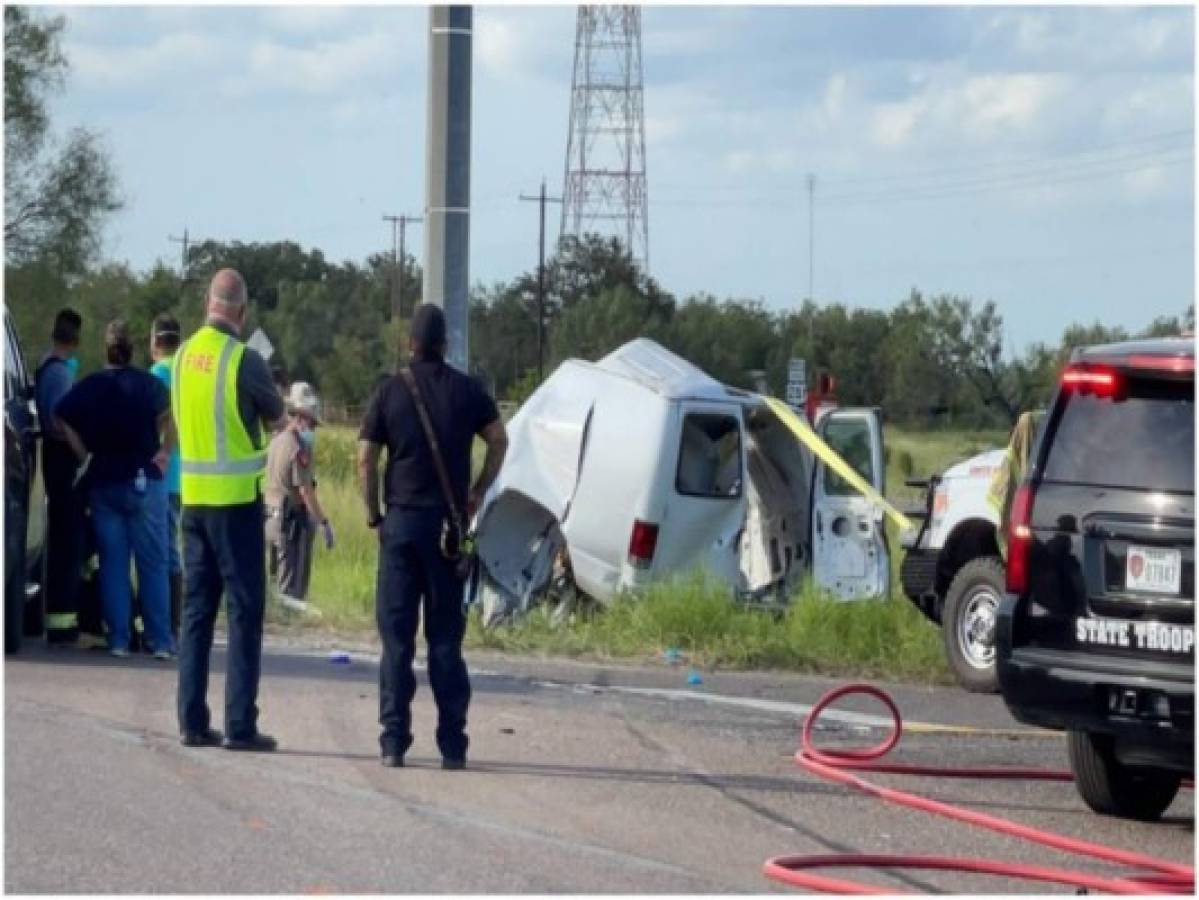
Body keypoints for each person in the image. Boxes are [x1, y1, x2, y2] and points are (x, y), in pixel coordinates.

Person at [358, 304, 508, 770]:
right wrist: (479, 492)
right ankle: (452, 747)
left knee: (397, 643)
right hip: (447, 530)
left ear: (410, 344)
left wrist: (374, 518)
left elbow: (365, 459)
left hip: (400, 528)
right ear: (445, 345)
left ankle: (393, 742)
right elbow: (500, 440)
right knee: (445, 641)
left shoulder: (389, 391)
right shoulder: (467, 390)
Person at [174, 268, 286, 752]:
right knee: (243, 613)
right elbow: (279, 418)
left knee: (196, 613)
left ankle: (191, 721)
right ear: (241, 311)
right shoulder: (243, 360)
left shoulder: (180, 357)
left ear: (207, 303)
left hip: (192, 502)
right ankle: (239, 725)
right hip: (236, 504)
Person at [55, 321, 175, 659]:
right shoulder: (149, 385)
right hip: (143, 480)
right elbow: (170, 418)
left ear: (105, 349)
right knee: (152, 563)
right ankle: (160, 641)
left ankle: (119, 640)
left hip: (104, 481)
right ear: (132, 349)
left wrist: (83, 453)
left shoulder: (91, 386)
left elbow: (60, 416)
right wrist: (164, 453)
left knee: (113, 564)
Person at [34, 308, 85, 645]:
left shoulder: (45, 366)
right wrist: (82, 451)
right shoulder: (61, 374)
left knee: (59, 535)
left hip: (50, 458)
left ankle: (58, 619)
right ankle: (62, 624)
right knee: (66, 539)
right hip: (61, 459)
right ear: (76, 340)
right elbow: (61, 421)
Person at [265, 382, 334, 616]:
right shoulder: (298, 447)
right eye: (312, 423)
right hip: (289, 521)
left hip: (269, 518)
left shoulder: (275, 441)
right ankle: (286, 630)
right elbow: (305, 491)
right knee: (290, 588)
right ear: (302, 417)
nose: (313, 429)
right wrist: (323, 522)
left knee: (274, 581)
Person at [149, 313, 184, 640]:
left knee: (163, 550)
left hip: (162, 471)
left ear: (155, 342)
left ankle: (170, 623)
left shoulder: (158, 373)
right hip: (187, 475)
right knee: (175, 548)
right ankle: (175, 620)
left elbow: (157, 419)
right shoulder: (186, 371)